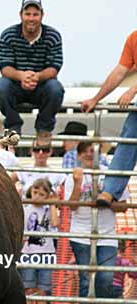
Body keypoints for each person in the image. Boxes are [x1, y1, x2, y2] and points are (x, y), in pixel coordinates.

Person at [65, 142, 129, 304]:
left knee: (105, 279)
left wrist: (107, 200)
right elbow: (72, 206)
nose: (89, 155)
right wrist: (77, 183)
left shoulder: (111, 175)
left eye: (92, 151)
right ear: (79, 155)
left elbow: (123, 206)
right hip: (81, 233)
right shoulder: (73, 176)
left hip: (106, 234)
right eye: (84, 152)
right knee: (85, 279)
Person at [0, 0, 64, 148]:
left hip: (42, 86)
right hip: (15, 86)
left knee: (56, 88)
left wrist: (36, 77)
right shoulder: (8, 35)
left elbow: (54, 67)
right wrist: (21, 76)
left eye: (35, 14)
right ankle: (13, 125)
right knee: (0, 87)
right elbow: (4, 67)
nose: (31, 18)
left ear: (42, 15)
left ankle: (44, 129)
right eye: (28, 14)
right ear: (21, 15)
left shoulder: (53, 36)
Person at [81, 29, 137, 208]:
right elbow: (120, 72)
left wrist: (133, 90)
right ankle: (110, 190)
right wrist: (96, 99)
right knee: (128, 136)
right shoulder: (133, 38)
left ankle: (111, 189)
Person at [18, 178, 59, 304]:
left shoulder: (49, 210)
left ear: (48, 196)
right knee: (28, 289)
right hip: (28, 253)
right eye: (35, 192)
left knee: (43, 290)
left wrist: (54, 204)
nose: (37, 196)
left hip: (46, 253)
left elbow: (55, 223)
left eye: (42, 194)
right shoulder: (25, 208)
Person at [110, 240, 135, 304]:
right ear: (123, 250)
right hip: (117, 288)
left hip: (102, 287)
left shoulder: (104, 260)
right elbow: (133, 274)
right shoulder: (124, 262)